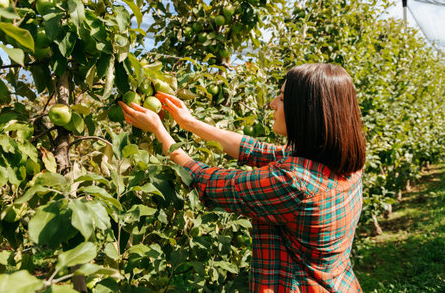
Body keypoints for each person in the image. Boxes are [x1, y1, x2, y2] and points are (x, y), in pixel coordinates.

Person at [119, 63, 366, 293]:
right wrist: (190, 122)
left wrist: (158, 130)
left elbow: (206, 180)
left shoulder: (293, 183)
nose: (272, 103)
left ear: (305, 112)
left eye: (281, 98)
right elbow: (254, 149)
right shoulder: (344, 161)